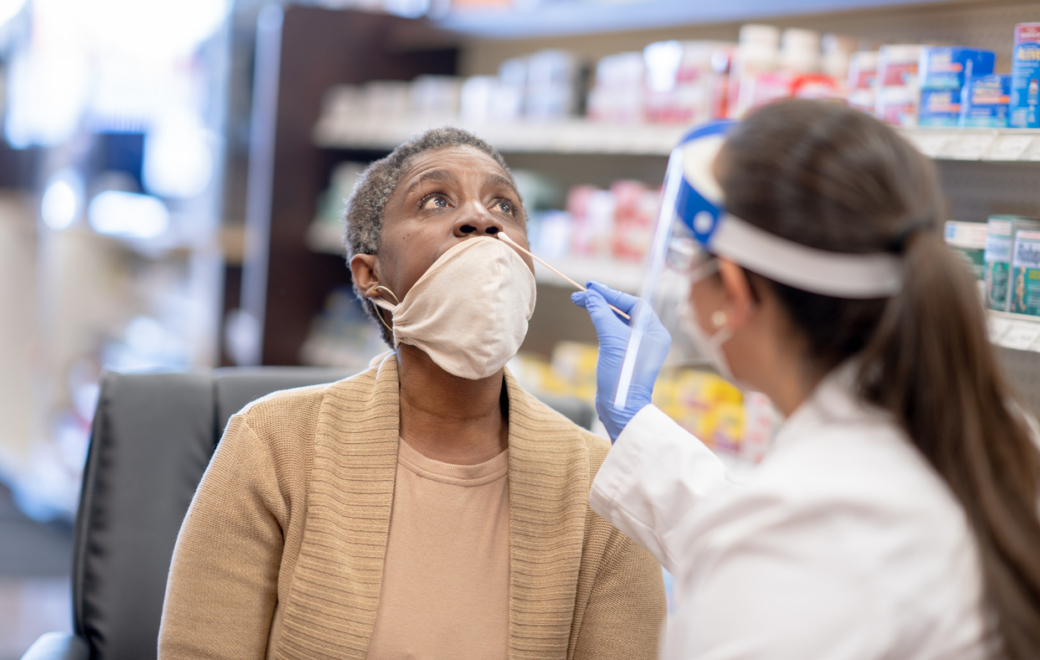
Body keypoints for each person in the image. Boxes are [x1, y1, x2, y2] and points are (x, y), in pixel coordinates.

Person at [159, 128, 665, 659]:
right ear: (372, 278)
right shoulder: (271, 446)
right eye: (436, 200)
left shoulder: (605, 486)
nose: (483, 220)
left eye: (505, 206)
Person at [573, 100, 1040, 659]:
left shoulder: (803, 533)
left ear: (737, 292)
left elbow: (791, 558)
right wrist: (637, 424)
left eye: (688, 257)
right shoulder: (1000, 435)